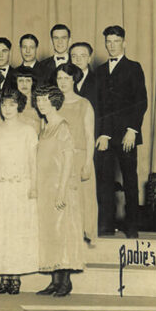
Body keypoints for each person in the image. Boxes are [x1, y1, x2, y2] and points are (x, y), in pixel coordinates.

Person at [0, 90, 39, 295]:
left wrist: (33, 186)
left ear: (19, 106)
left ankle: (15, 277)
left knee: (17, 232)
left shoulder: (28, 131)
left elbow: (33, 161)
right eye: (4, 105)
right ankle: (3, 277)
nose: (7, 109)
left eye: (11, 104)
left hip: (20, 187)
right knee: (0, 232)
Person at [95, 25, 147, 238]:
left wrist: (132, 130)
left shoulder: (134, 67)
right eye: (108, 42)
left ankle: (132, 225)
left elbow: (141, 101)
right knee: (105, 180)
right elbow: (98, 106)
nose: (112, 46)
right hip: (105, 136)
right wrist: (103, 134)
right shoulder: (99, 71)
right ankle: (107, 224)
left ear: (124, 43)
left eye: (116, 41)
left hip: (127, 134)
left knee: (130, 180)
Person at [33, 85, 85, 297]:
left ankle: (66, 282)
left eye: (44, 100)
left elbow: (68, 160)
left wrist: (62, 190)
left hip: (59, 186)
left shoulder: (62, 126)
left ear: (54, 102)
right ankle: (54, 281)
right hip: (46, 187)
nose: (40, 104)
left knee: (63, 231)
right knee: (50, 232)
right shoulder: (45, 127)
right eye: (38, 100)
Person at [55, 62, 97, 242]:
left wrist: (88, 163)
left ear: (74, 80)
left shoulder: (84, 104)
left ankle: (84, 236)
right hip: (58, 159)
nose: (62, 82)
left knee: (82, 198)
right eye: (59, 78)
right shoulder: (53, 104)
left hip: (79, 157)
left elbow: (89, 137)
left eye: (66, 78)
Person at [70, 41, 100, 115]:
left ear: (89, 58)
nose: (78, 59)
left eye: (83, 56)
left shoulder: (100, 80)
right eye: (74, 56)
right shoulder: (64, 80)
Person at [14, 66, 43, 133]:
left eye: (28, 80)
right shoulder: (11, 102)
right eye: (21, 81)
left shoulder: (40, 102)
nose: (24, 84)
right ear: (16, 82)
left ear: (33, 82)